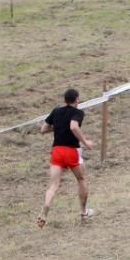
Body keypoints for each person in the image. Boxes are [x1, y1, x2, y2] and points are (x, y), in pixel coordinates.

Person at [38, 88, 95, 228]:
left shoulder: (56, 110)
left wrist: (57, 127)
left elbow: (43, 129)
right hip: (70, 151)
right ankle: (83, 213)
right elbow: (74, 127)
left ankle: (46, 207)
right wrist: (85, 142)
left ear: (65, 99)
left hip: (56, 150)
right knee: (81, 179)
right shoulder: (78, 113)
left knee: (53, 185)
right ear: (76, 99)